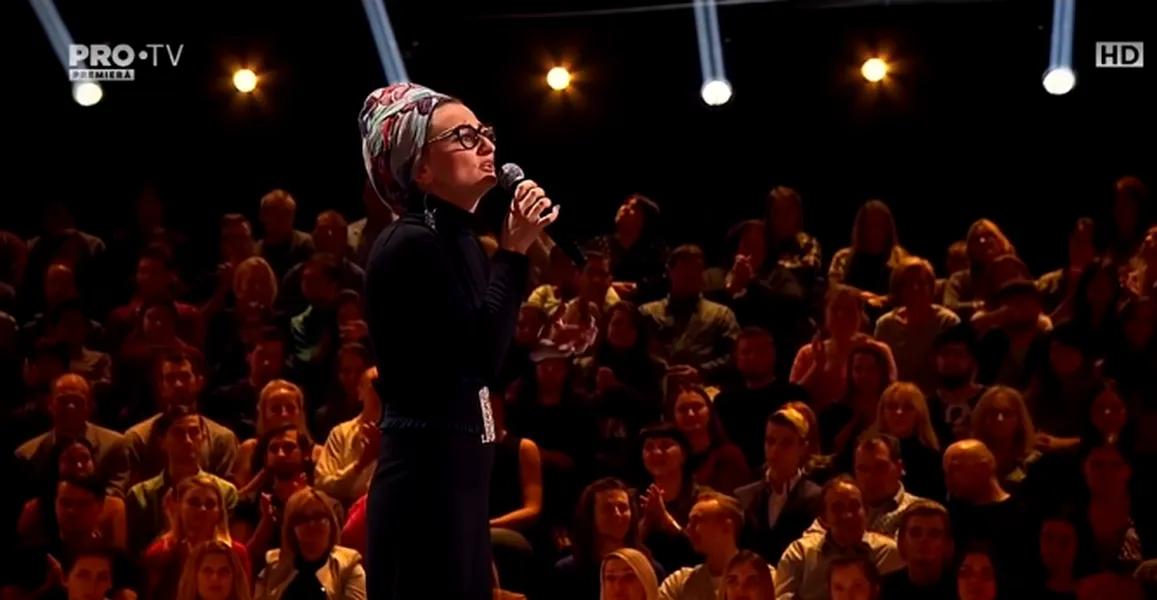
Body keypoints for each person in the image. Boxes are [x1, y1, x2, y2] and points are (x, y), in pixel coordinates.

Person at [359, 83, 558, 600]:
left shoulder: (462, 239)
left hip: (462, 469)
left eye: (484, 132)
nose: (486, 144)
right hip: (426, 480)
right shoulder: (410, 243)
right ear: (421, 170)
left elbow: (490, 361)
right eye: (464, 136)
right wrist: (514, 253)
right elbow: (480, 355)